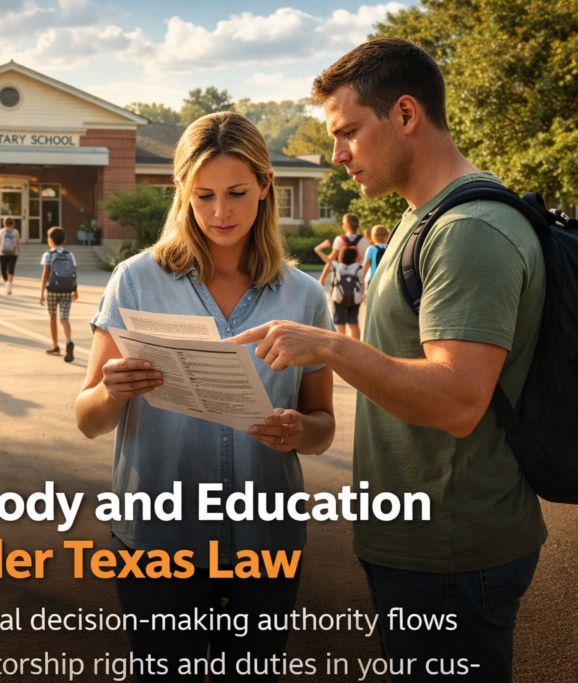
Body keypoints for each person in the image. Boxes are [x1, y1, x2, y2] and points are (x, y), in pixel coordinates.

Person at [230, 38, 546, 682]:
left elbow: (459, 400)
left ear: (405, 114)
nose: (337, 154)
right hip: (424, 541)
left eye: (347, 132)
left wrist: (332, 346)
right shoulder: (422, 216)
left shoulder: (468, 232)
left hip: (452, 552)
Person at [75, 112, 336, 681]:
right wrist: (112, 391)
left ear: (267, 186)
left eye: (238, 193)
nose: (221, 212)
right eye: (204, 196)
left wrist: (298, 429)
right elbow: (87, 419)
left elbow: (324, 428)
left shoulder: (305, 296)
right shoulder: (135, 279)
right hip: (157, 538)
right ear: (183, 195)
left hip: (264, 537)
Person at [39, 227, 78, 362]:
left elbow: (45, 275)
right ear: (65, 240)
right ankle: (68, 340)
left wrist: (41, 293)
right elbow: (74, 273)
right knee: (64, 318)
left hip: (52, 290)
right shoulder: (70, 255)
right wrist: (75, 290)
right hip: (67, 290)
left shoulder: (48, 255)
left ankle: (55, 345)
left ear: (50, 240)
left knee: (53, 316)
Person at [316, 243, 364, 338]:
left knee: (339, 322)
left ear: (341, 256)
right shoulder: (359, 268)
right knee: (353, 322)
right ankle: (356, 346)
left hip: (338, 297)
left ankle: (342, 346)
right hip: (355, 299)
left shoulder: (336, 266)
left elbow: (327, 260)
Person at [316, 213, 368, 287]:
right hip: (358, 277)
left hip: (342, 278)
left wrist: (318, 249)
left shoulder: (340, 239)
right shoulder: (365, 240)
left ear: (346, 224)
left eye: (343, 223)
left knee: (331, 262)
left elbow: (329, 259)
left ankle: (321, 281)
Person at [0, 216, 21, 295]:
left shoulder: (1, 231)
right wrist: (19, 252)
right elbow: (18, 242)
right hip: (13, 253)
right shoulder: (16, 231)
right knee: (11, 268)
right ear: (13, 223)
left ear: (4, 223)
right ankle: (9, 283)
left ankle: (7, 282)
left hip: (2, 253)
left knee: (3, 269)